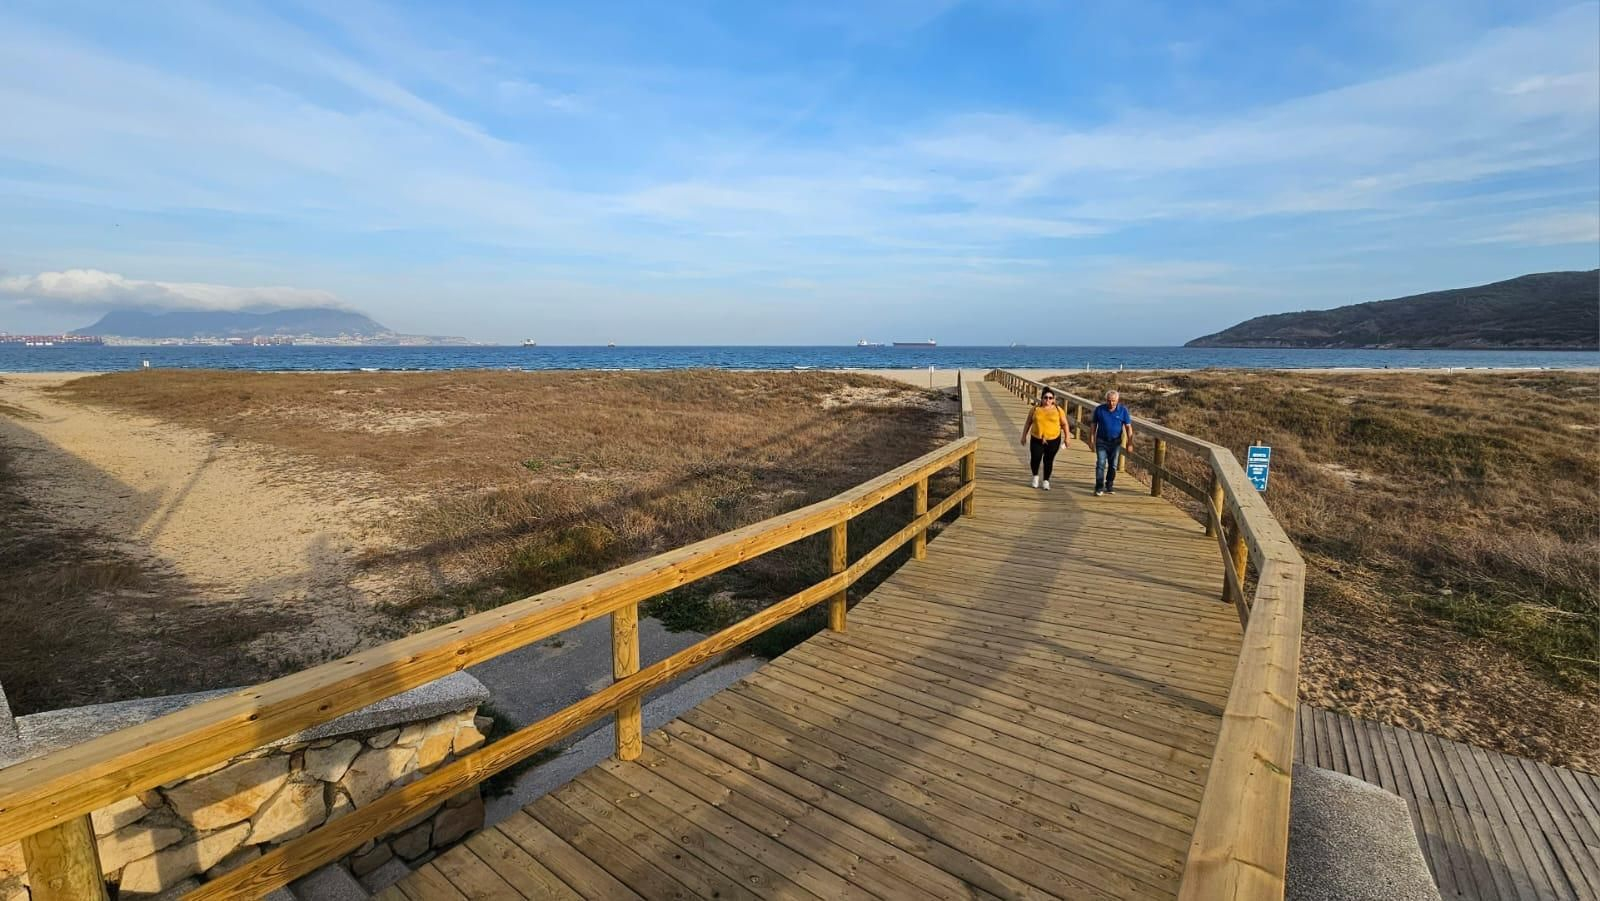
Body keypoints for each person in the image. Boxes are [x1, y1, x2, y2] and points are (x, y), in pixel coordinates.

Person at [1018, 388, 1069, 490]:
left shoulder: (1058, 410)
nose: (1048, 400)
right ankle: (1035, 477)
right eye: (1045, 398)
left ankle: (1046, 480)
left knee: (1048, 460)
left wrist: (1067, 438)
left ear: (1053, 399)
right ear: (1041, 399)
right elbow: (1028, 423)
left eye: (1050, 398)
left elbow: (1064, 424)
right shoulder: (1035, 409)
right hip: (1037, 438)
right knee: (1035, 458)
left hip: (1054, 439)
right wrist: (1024, 436)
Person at [1089, 389, 1134, 496]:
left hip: (1115, 442)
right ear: (1106, 400)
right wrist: (1091, 439)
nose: (1111, 403)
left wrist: (1130, 443)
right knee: (1100, 463)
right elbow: (1093, 425)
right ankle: (1099, 487)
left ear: (1118, 400)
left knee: (1113, 465)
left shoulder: (1123, 410)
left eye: (1113, 401)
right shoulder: (1099, 410)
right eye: (1109, 400)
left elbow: (1128, 427)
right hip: (1101, 441)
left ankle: (1109, 485)